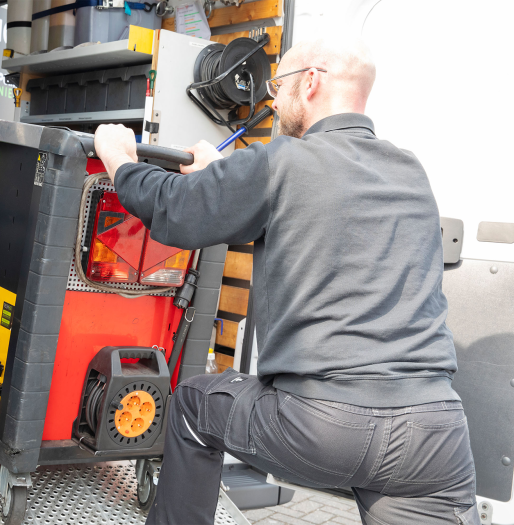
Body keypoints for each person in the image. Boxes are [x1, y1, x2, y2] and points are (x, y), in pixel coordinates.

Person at [94, 36, 478, 525]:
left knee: (193, 404)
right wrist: (224, 176)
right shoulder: (410, 170)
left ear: (310, 81)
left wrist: (120, 159)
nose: (273, 100)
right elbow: (319, 203)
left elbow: (175, 208)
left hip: (324, 424)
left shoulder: (281, 160)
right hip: (435, 433)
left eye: (278, 85)